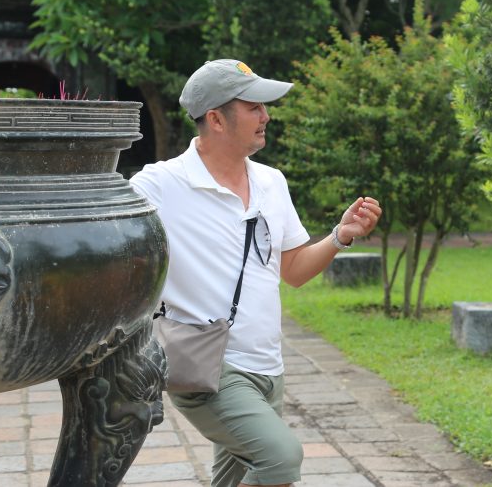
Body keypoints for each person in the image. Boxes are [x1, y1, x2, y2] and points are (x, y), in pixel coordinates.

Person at [131, 59, 382, 487]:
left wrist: (340, 236)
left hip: (268, 365)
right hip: (206, 366)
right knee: (280, 459)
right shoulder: (159, 185)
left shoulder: (271, 182)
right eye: (254, 107)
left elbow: (293, 270)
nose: (266, 116)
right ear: (216, 119)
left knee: (238, 476)